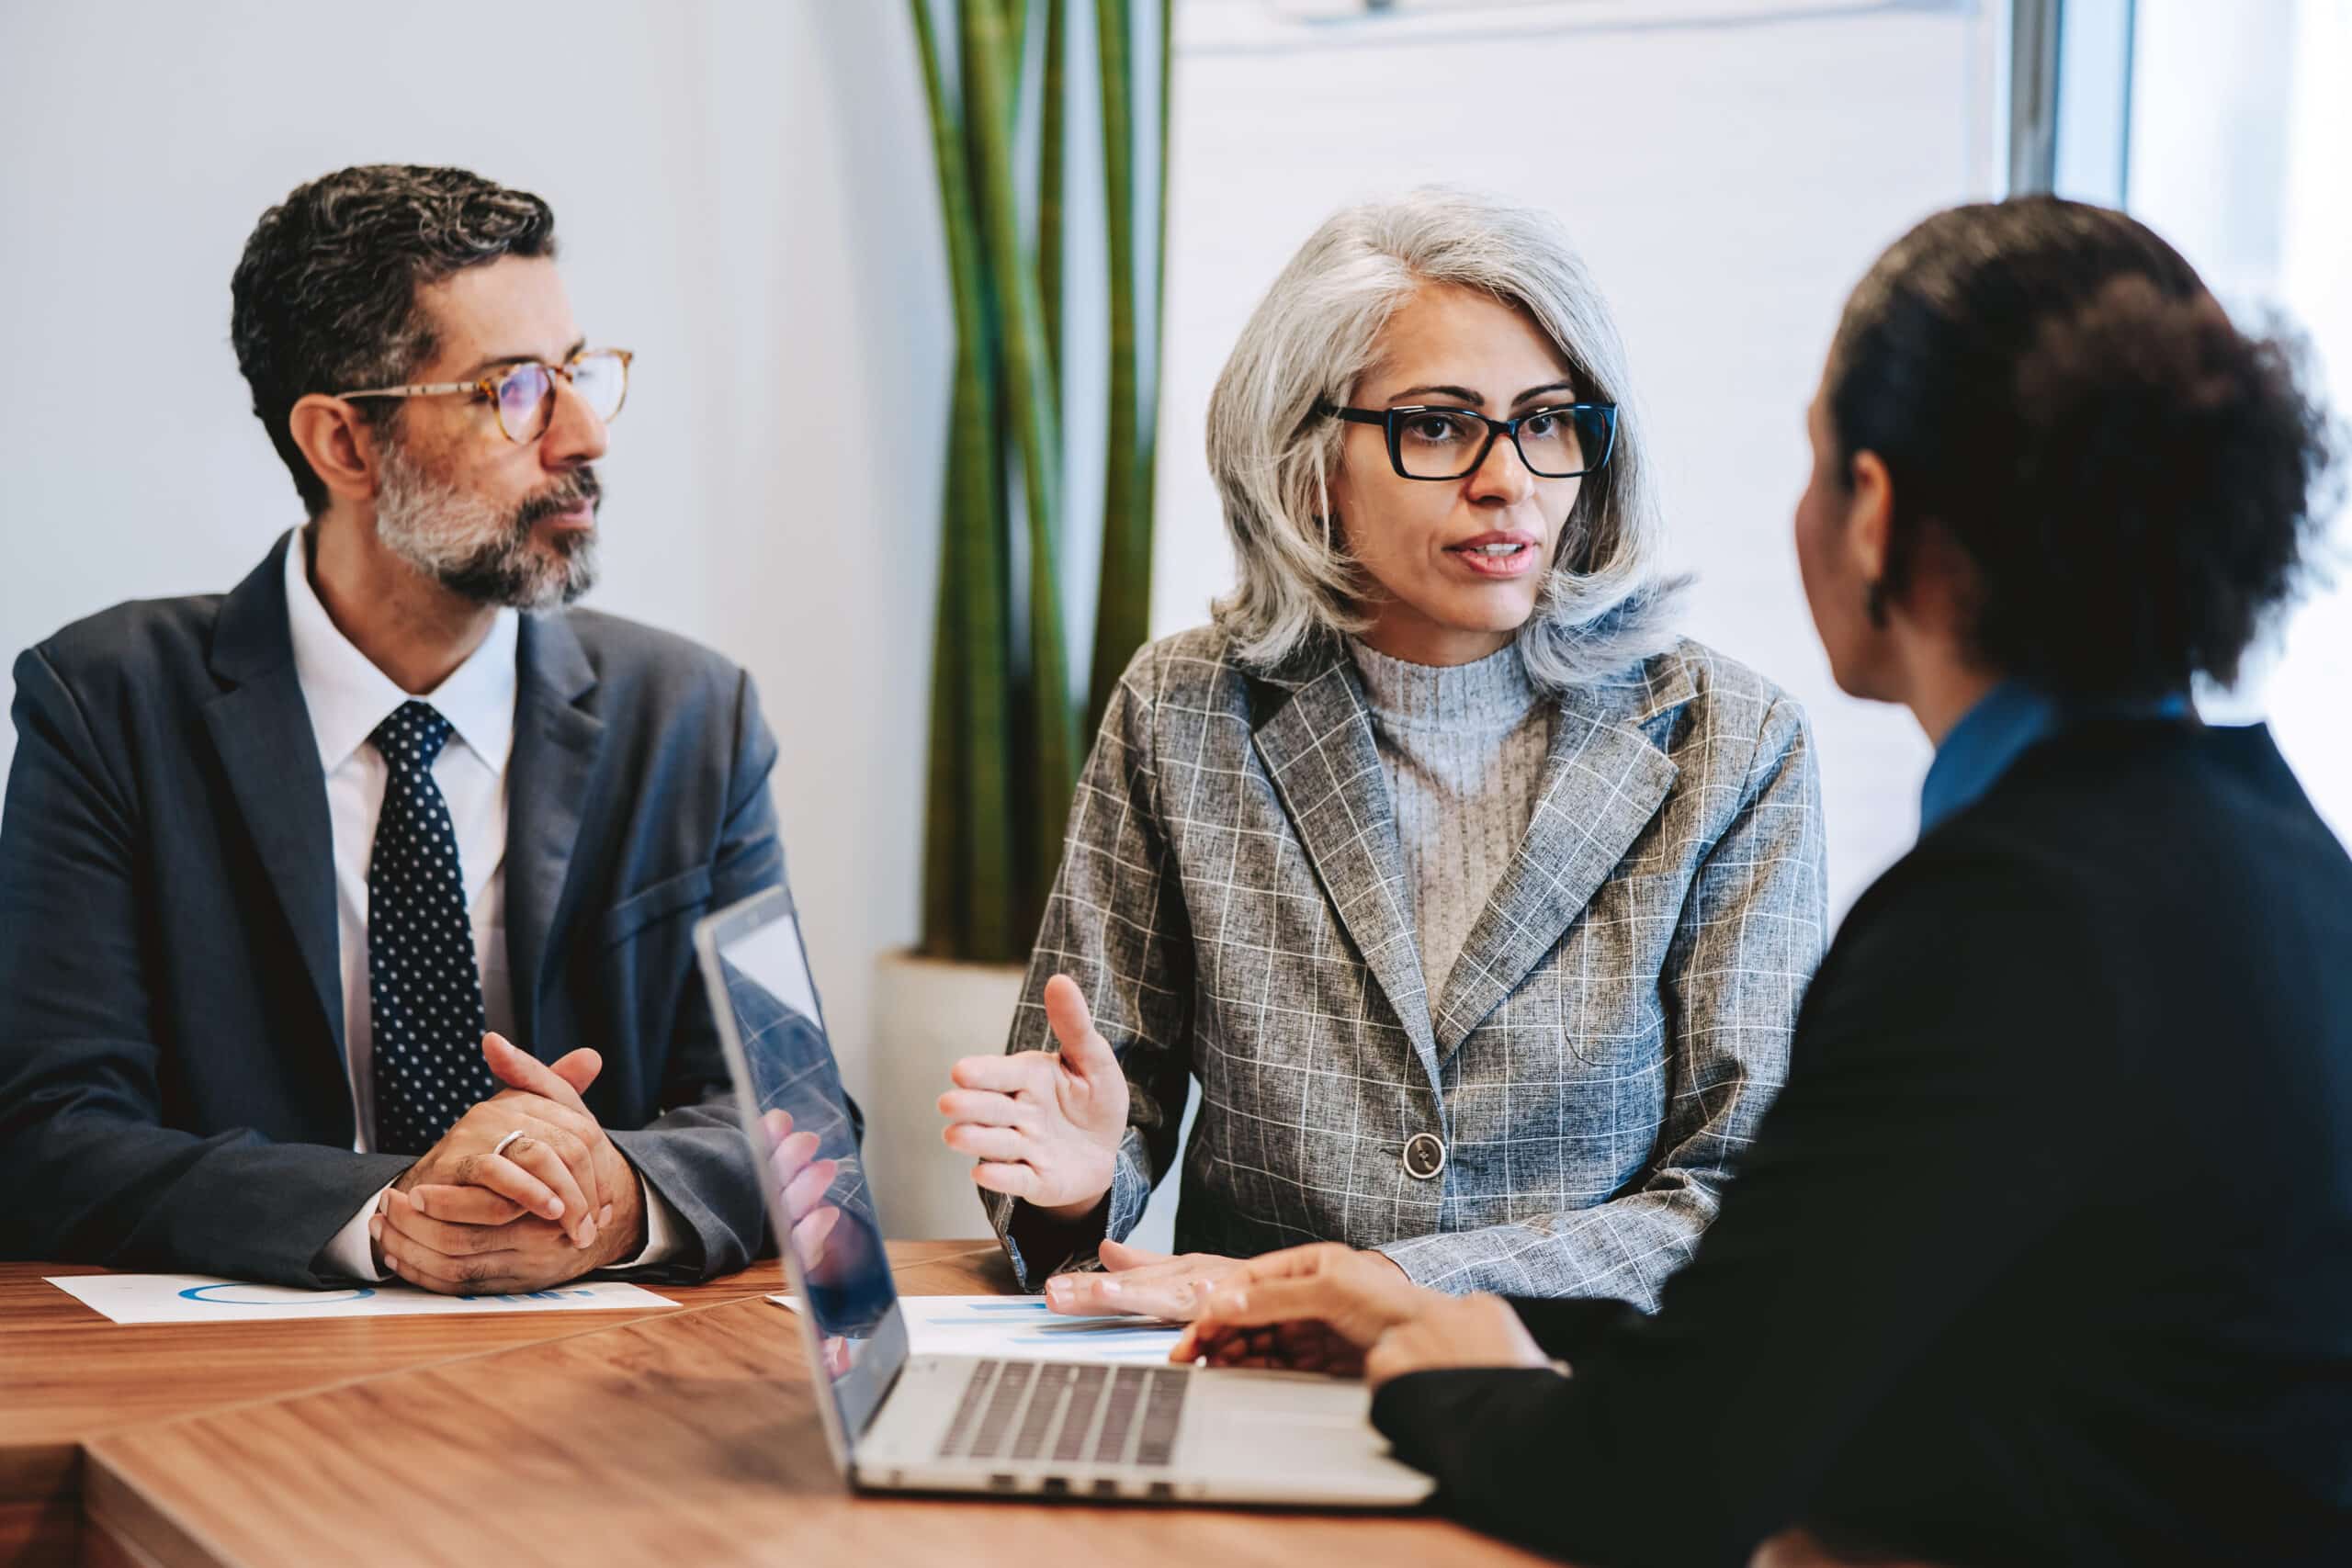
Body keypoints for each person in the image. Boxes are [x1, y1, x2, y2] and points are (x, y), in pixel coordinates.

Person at [1170, 197, 2352, 1567]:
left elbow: (1664, 1480)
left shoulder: (2001, 925)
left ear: (1872, 515)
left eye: (1811, 457)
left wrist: (1451, 1364)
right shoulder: (2286, 860)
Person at [938, 188, 1827, 1318]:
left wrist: (1390, 1283)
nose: (1507, 478)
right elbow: (1091, 1115)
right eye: (1440, 424)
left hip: (1580, 1399)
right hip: (1245, 1378)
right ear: (1309, 466)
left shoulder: (1730, 742)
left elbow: (1740, 1197)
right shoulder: (1183, 710)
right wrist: (1072, 1194)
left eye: (1548, 421)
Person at [0, 164, 797, 1292]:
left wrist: (617, 1193)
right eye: (515, 390)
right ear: (344, 445)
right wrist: (387, 1216)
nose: (583, 436)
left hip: (600, 1370)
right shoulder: (108, 705)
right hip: (237, 1385)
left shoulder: (693, 718)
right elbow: (46, 1134)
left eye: (579, 375)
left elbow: (796, 1119)